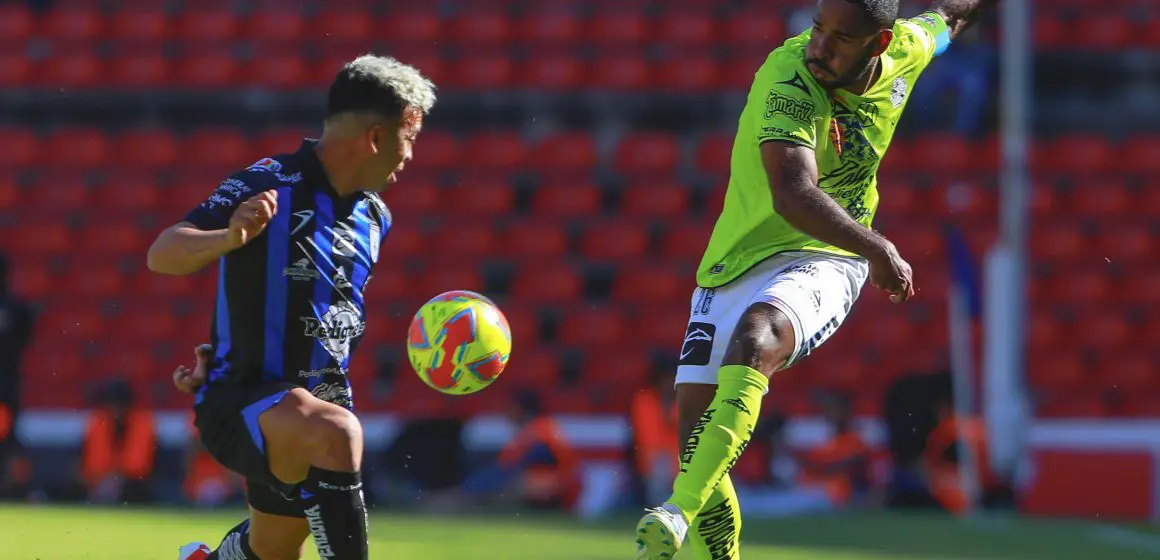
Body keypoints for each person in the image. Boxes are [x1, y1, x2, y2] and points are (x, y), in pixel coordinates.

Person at [632, 1, 1000, 558]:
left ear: (878, 44)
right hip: (740, 257)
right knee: (695, 436)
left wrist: (864, 247)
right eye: (817, 29)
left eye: (839, 38)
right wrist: (879, 246)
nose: (819, 47)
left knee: (759, 336)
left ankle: (676, 511)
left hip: (829, 250)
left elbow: (951, 15)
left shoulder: (907, 48)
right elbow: (794, 194)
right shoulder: (788, 76)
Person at [148, 54, 436, 560]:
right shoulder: (269, 182)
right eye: (408, 137)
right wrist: (229, 236)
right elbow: (164, 253)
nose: (409, 155)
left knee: (271, 552)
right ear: (374, 136)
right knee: (339, 432)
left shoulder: (376, 216)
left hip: (313, 410)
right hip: (244, 402)